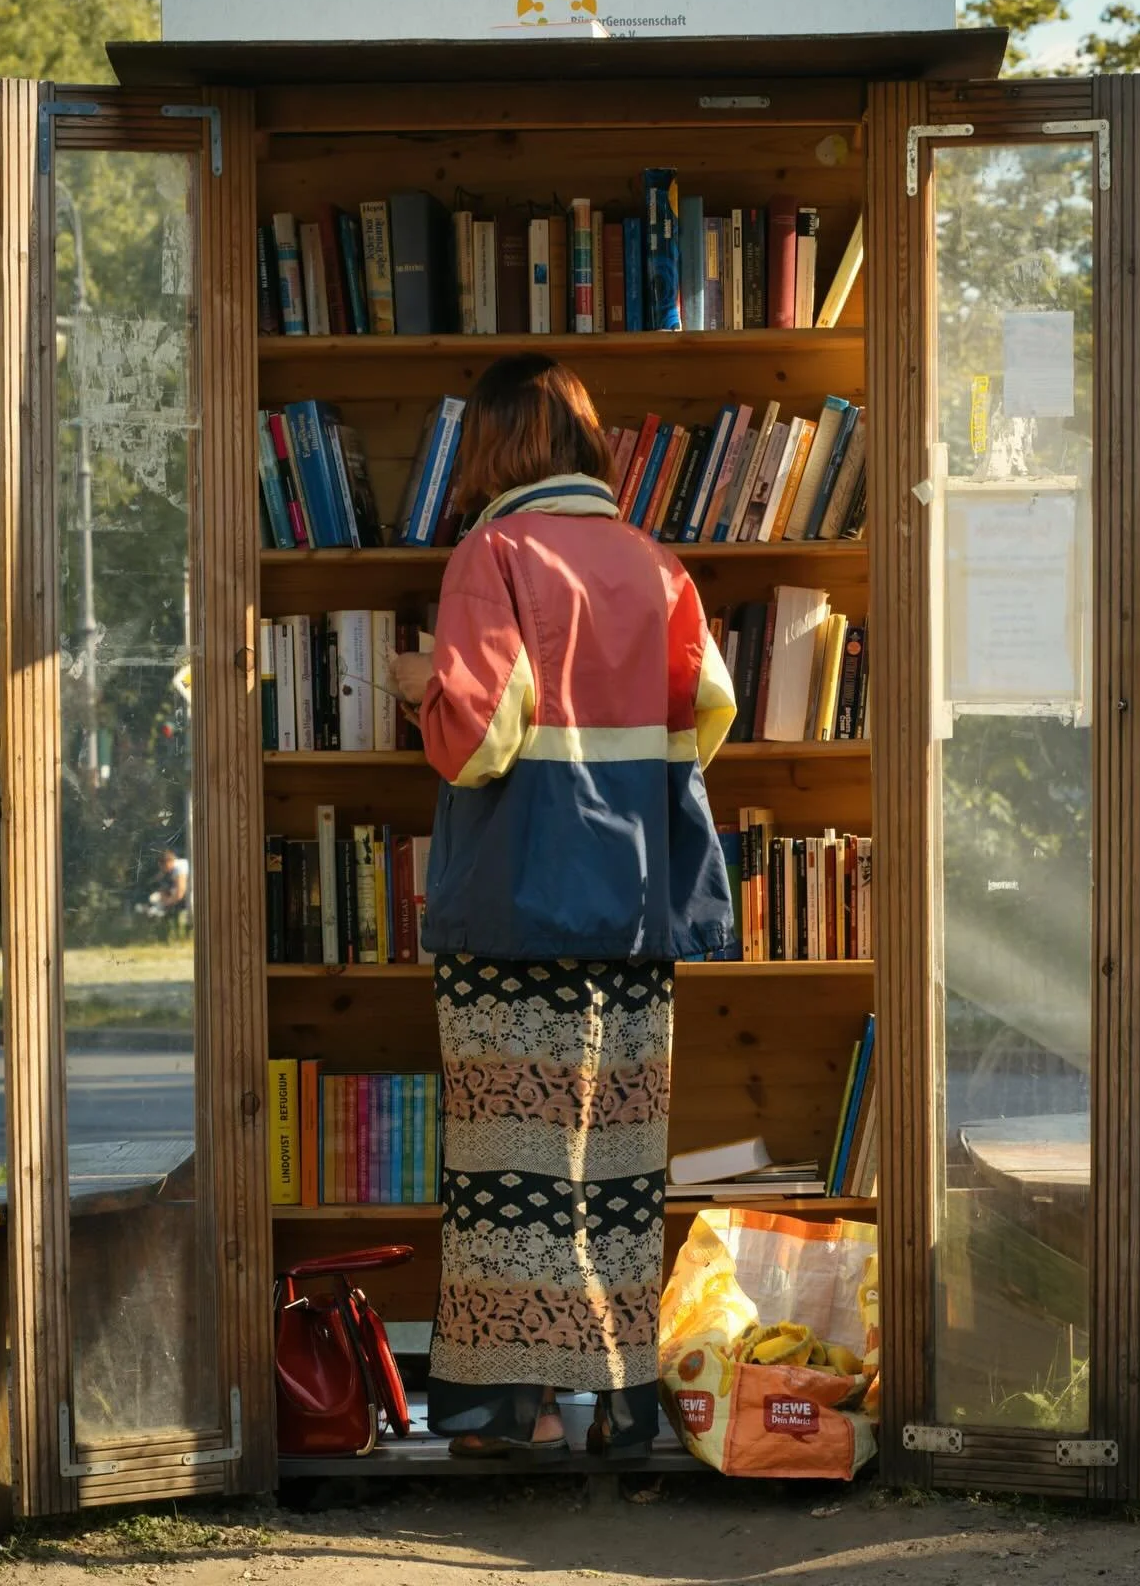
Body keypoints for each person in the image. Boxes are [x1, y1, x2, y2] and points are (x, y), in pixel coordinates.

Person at [390, 353, 736, 1458]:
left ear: (492, 449)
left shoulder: (493, 552)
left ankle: (508, 1414)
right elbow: (710, 712)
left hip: (516, 913)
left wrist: (419, 695)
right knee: (613, 1170)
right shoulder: (656, 563)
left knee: (509, 1174)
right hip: (634, 915)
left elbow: (482, 738)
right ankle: (621, 1416)